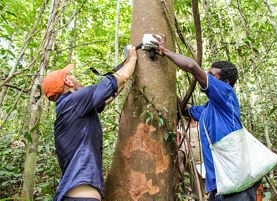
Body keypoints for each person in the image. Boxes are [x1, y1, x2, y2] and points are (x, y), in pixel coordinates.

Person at [153, 34, 263, 201]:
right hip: (219, 187)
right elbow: (185, 110)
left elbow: (191, 66)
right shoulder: (206, 110)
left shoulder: (226, 96)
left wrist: (165, 51)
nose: (207, 76)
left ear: (225, 82)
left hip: (239, 184)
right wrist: (166, 89)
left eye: (213, 75)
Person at [41, 45, 137, 201]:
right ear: (68, 82)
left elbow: (104, 101)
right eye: (71, 75)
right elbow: (115, 80)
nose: (74, 77)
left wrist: (121, 82)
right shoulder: (74, 100)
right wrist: (132, 58)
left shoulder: (69, 107)